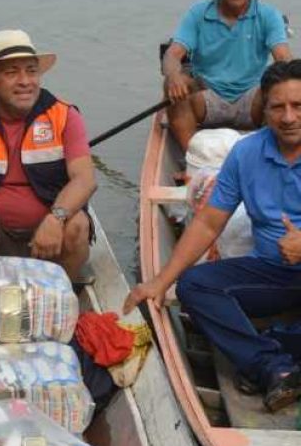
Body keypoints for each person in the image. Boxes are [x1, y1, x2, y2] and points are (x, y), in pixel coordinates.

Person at [125, 60, 301, 412]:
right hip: (272, 274)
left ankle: (279, 344)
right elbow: (208, 224)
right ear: (262, 110)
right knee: (194, 286)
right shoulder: (247, 153)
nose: (288, 117)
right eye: (277, 107)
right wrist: (160, 281)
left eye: (298, 106)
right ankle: (272, 365)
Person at [0, 29, 97, 281]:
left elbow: (85, 180)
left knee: (77, 224)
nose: (25, 81)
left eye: (31, 71)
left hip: (49, 233)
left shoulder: (66, 116)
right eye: (12, 73)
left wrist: (56, 218)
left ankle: (64, 292)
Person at [162, 0, 292, 150]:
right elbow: (172, 54)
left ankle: (273, 154)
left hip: (252, 100)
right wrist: (173, 75)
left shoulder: (268, 15)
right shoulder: (198, 12)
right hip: (207, 96)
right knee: (172, 85)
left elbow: (283, 58)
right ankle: (192, 158)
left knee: (282, 91)